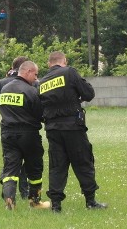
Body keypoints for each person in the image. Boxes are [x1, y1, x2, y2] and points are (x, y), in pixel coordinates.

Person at [38, 51, 107, 212]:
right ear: (64, 61)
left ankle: (56, 205)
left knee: (57, 165)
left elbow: (41, 106)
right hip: (72, 127)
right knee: (83, 162)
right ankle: (91, 201)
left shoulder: (42, 81)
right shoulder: (69, 72)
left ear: (49, 64)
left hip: (52, 129)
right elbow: (88, 94)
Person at [0, 60, 48, 210]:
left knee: (10, 169)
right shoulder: (31, 91)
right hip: (28, 134)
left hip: (7, 134)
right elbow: (40, 113)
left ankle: (9, 199)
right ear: (27, 72)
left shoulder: (4, 89)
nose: (36, 79)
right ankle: (35, 201)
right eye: (35, 75)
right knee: (35, 168)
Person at [0, 56, 30, 199]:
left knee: (10, 161)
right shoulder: (30, 84)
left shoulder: (3, 83)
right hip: (28, 129)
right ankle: (25, 192)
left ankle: (7, 192)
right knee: (27, 162)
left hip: (7, 128)